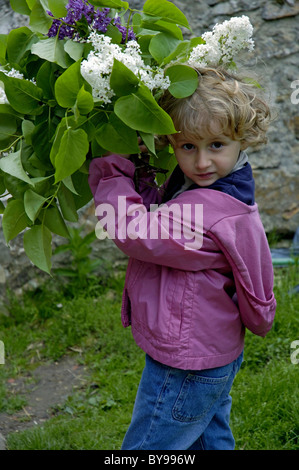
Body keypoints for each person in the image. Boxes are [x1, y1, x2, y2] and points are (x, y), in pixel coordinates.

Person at [88, 66, 276, 450]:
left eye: (216, 146)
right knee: (208, 439)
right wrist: (141, 169)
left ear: (243, 139)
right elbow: (161, 212)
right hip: (211, 353)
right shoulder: (222, 191)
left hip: (186, 363)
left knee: (150, 446)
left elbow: (134, 229)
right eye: (188, 147)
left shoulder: (206, 215)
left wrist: (112, 167)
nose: (202, 162)